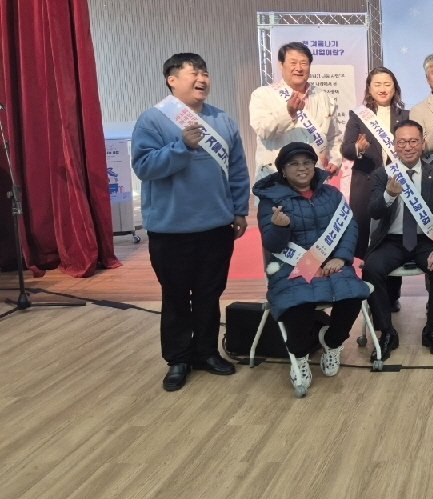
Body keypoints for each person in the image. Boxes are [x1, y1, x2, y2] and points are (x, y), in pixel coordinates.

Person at [131, 53, 249, 392]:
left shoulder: (222, 120)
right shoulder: (153, 120)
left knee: (211, 294)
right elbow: (144, 167)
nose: (202, 79)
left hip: (216, 226)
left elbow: (237, 170)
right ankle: (178, 359)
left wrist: (239, 210)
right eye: (193, 72)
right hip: (171, 229)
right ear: (171, 79)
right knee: (176, 296)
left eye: (205, 73)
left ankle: (207, 352)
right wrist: (181, 147)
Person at [253, 142, 371, 395]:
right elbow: (272, 245)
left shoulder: (332, 194)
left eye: (307, 162)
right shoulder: (271, 201)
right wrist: (280, 227)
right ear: (283, 170)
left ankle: (332, 343)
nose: (302, 168)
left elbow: (349, 227)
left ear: (314, 166)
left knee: (353, 294)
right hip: (291, 267)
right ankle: (299, 357)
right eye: (294, 164)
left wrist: (342, 258)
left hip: (332, 264)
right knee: (299, 301)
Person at [360, 120, 433, 360]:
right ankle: (386, 332)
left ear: (422, 144)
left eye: (413, 141)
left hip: (425, 240)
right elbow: (373, 211)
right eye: (402, 142)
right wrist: (389, 195)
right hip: (392, 240)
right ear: (394, 145)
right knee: (371, 268)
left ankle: (432, 330)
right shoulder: (383, 174)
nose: (408, 147)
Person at [342, 66, 409, 311]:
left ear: (395, 88)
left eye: (387, 84)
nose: (382, 89)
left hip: (396, 185)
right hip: (367, 184)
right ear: (369, 88)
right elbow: (346, 149)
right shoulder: (358, 116)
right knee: (370, 243)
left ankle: (392, 296)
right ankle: (372, 295)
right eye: (377, 84)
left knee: (394, 237)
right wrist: (357, 148)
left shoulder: (405, 115)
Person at [248, 41, 343, 181]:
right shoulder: (263, 95)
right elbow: (263, 130)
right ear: (281, 65)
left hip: (314, 179)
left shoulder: (323, 97)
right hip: (277, 178)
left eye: (304, 63)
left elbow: (333, 136)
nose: (298, 68)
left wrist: (336, 159)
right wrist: (288, 113)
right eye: (293, 63)